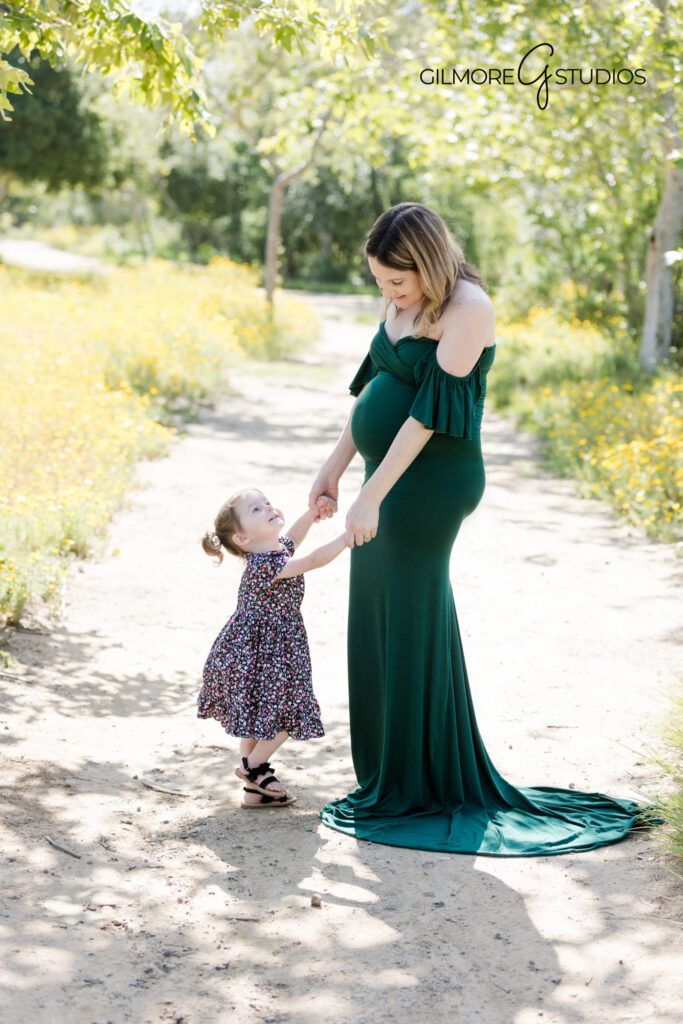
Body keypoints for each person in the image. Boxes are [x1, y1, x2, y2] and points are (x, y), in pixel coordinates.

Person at [309, 201, 657, 854]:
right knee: (377, 612)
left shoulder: (467, 309)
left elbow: (425, 419)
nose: (387, 293)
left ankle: (425, 782)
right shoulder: (401, 299)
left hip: (431, 483)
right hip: (383, 483)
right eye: (381, 281)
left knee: (409, 614)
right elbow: (373, 391)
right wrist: (333, 473)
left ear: (429, 264)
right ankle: (391, 773)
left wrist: (371, 498)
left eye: (397, 282)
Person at [196, 487, 345, 808]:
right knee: (286, 711)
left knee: (256, 713)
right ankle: (251, 768)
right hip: (264, 652)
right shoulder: (263, 565)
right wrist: (347, 537)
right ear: (242, 539)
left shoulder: (274, 552)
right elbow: (314, 560)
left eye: (266, 503)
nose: (267, 508)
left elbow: (294, 538)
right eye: (255, 511)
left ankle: (256, 792)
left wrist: (312, 514)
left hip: (262, 649)